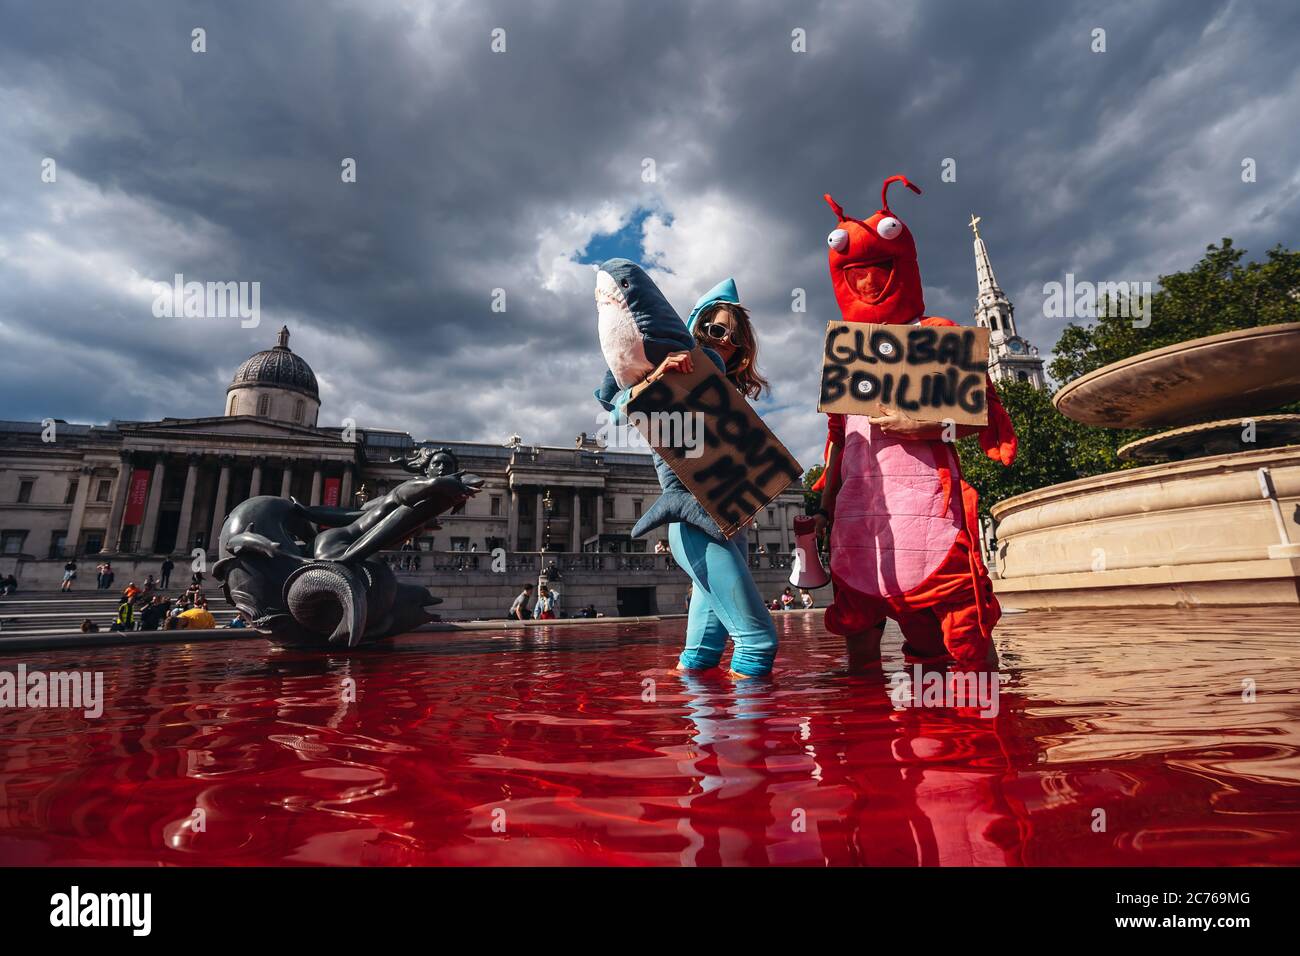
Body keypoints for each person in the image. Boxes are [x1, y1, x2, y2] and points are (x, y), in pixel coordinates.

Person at [813, 178, 1017, 671]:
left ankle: (980, 734)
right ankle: (876, 743)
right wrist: (824, 508)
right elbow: (838, 441)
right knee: (860, 646)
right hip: (859, 518)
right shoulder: (846, 353)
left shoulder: (936, 335)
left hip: (929, 512)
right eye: (855, 273)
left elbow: (978, 420)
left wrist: (926, 426)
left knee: (958, 645)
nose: (866, 282)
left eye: (876, 270)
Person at [595, 266, 778, 678]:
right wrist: (658, 377)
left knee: (701, 653)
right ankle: (748, 737)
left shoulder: (725, 391)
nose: (727, 342)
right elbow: (619, 409)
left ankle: (703, 738)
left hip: (733, 517)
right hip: (694, 514)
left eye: (737, 337)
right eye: (717, 331)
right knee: (757, 644)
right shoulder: (660, 369)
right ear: (696, 327)